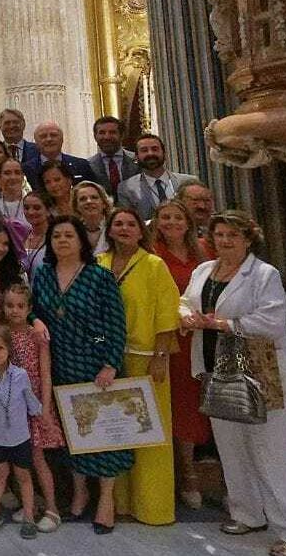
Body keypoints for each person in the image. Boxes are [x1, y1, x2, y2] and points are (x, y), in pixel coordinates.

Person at [180, 211, 286, 556]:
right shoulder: (203, 271)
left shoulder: (264, 274)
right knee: (232, 449)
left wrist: (223, 324)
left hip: (263, 374)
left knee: (271, 456)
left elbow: (273, 321)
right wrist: (187, 317)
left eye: (233, 235)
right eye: (219, 234)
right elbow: (185, 301)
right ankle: (247, 513)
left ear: (249, 240)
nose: (224, 241)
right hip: (218, 370)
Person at [31, 216, 129, 533]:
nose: (62, 240)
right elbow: (31, 308)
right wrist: (35, 320)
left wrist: (110, 363)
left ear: (81, 241)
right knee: (73, 434)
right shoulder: (44, 274)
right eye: (56, 235)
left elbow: (115, 324)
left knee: (103, 433)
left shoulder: (100, 276)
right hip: (60, 364)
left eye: (68, 235)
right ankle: (80, 491)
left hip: (96, 361)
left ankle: (106, 499)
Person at [100, 206, 179, 526]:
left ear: (140, 231)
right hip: (109, 360)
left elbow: (167, 312)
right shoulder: (99, 263)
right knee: (116, 433)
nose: (124, 229)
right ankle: (119, 503)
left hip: (146, 358)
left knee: (150, 435)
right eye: (118, 224)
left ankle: (153, 508)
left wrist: (160, 355)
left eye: (130, 224)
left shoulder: (154, 265)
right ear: (109, 230)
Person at [151, 199, 210, 508]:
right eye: (165, 217)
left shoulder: (205, 252)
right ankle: (186, 473)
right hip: (171, 339)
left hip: (204, 335)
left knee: (201, 403)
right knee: (178, 404)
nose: (171, 222)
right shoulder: (153, 254)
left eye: (177, 217)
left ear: (188, 222)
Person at [0, 283, 63, 532]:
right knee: (19, 459)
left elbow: (45, 375)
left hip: (33, 405)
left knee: (37, 458)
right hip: (11, 406)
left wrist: (45, 408)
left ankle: (52, 509)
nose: (14, 311)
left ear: (29, 309)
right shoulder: (1, 335)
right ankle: (31, 504)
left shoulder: (37, 336)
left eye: (20, 306)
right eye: (9, 305)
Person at [0, 324, 41, 541]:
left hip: (19, 436)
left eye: (1, 348)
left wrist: (40, 414)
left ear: (9, 349)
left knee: (23, 476)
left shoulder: (20, 375)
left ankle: (29, 517)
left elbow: (30, 400)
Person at [118, 134, 199, 221]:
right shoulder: (126, 188)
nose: (150, 153)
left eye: (155, 149)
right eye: (144, 150)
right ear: (136, 157)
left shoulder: (189, 182)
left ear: (164, 153)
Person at [23, 122, 98, 189]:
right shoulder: (25, 170)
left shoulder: (81, 166)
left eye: (54, 135)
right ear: (36, 141)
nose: (49, 139)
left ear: (62, 139)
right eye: (43, 136)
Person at [88, 116, 138, 197]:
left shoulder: (137, 161)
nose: (107, 137)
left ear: (122, 135)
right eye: (102, 133)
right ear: (95, 136)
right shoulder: (87, 165)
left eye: (112, 132)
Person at [0, 159, 31, 245]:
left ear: (23, 177)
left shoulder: (33, 203)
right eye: (7, 173)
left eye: (17, 173)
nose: (13, 177)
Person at [20, 191, 54, 276]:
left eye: (37, 208)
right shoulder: (21, 237)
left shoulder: (55, 238)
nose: (31, 212)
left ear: (49, 211)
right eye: (26, 208)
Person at [74, 181, 113, 253]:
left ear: (104, 203)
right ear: (76, 207)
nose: (89, 201)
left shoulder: (115, 227)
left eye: (94, 197)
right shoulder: (73, 230)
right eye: (83, 199)